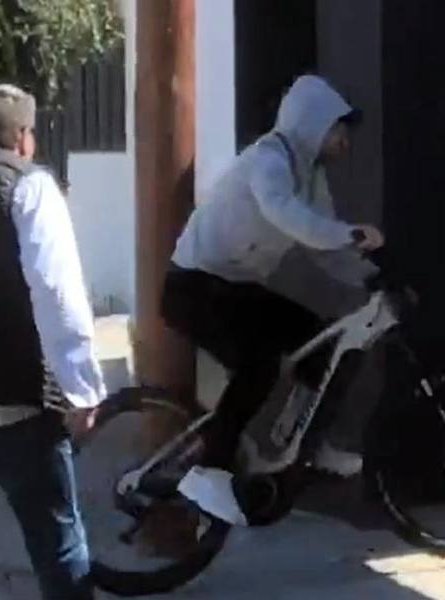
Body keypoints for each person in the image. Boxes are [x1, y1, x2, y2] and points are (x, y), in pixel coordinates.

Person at [162, 75, 384, 519]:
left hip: (235, 288)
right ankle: (210, 471)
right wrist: (351, 234)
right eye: (339, 130)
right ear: (313, 123)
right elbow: (290, 219)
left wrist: (372, 277)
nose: (345, 142)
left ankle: (305, 444)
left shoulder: (310, 175)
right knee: (259, 362)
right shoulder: (269, 160)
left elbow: (324, 250)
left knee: (321, 347)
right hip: (193, 286)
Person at [0, 84, 106, 600]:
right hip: (14, 396)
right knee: (58, 542)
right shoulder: (28, 187)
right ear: (24, 137)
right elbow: (57, 292)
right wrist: (81, 387)